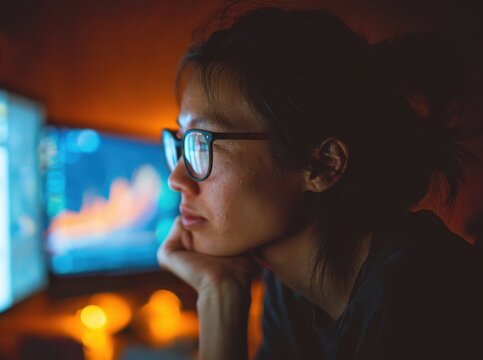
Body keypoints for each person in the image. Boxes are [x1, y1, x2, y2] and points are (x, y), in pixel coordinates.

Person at [157, 5, 483, 360]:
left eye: (202, 144)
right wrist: (220, 287)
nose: (177, 179)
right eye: (182, 144)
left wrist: (217, 297)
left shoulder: (419, 298)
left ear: (323, 165)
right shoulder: (291, 294)